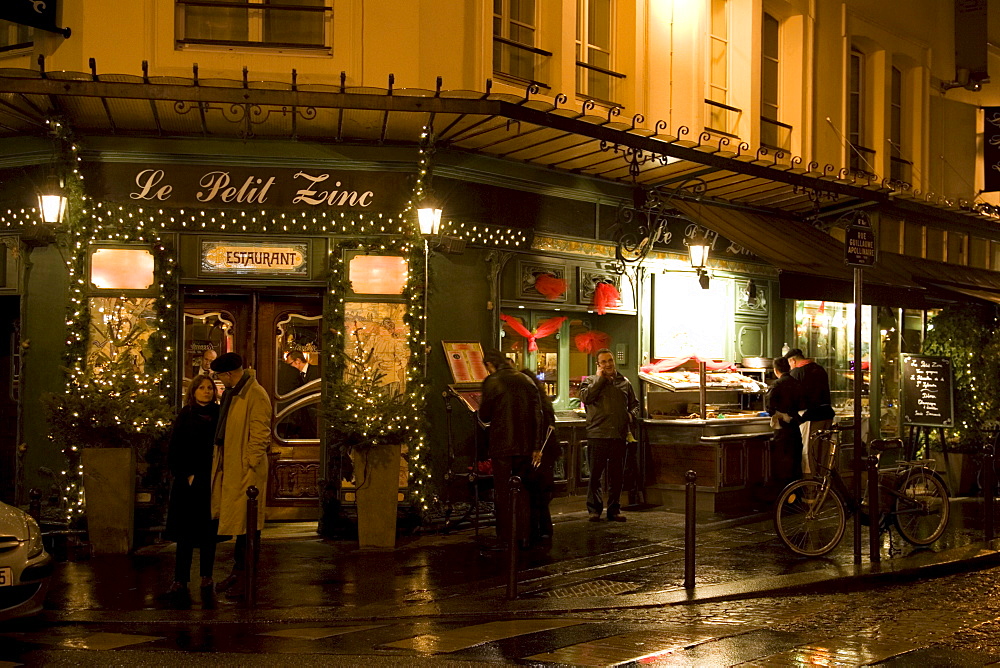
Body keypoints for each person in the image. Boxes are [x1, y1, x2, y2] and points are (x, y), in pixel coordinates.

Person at [209, 352, 271, 598]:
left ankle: (245, 575)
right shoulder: (235, 393)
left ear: (229, 374)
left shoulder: (254, 394)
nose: (221, 382)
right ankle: (239, 572)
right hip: (234, 465)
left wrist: (250, 461)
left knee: (249, 523)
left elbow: (260, 431)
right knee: (241, 522)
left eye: (221, 377)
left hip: (246, 470)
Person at [164, 374, 220, 598]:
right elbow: (176, 447)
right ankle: (180, 578)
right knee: (185, 534)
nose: (206, 392)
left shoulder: (217, 414)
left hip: (210, 479)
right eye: (202, 388)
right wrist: (185, 474)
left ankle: (207, 575)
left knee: (209, 532)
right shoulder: (186, 415)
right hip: (188, 482)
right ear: (194, 391)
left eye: (210, 388)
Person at [478, 350, 539, 548]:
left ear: (489, 364)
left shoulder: (492, 381)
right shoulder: (526, 380)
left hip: (502, 446)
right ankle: (524, 535)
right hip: (525, 446)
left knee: (504, 493)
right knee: (522, 492)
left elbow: (485, 415)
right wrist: (536, 446)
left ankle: (506, 537)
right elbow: (538, 415)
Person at [579, 348, 638, 522]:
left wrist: (630, 415)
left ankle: (614, 509)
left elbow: (635, 405)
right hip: (597, 434)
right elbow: (585, 398)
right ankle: (594, 510)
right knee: (595, 475)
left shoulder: (624, 382)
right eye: (603, 362)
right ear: (598, 365)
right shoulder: (590, 381)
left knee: (616, 475)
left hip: (618, 435)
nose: (608, 364)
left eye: (610, 361)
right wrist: (599, 379)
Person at [520, 368, 559, 545]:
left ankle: (535, 531)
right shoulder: (544, 401)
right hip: (548, 451)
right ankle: (544, 529)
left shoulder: (531, 404)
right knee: (541, 494)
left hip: (540, 451)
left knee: (535, 492)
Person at [785, 348, 836, 475]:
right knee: (823, 455)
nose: (790, 366)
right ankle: (823, 484)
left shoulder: (797, 373)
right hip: (827, 415)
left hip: (810, 417)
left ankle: (810, 487)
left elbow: (793, 398)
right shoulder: (820, 369)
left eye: (790, 363)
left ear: (793, 360)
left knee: (808, 454)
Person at [767, 357, 804, 485]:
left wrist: (779, 414)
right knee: (795, 464)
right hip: (795, 428)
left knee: (781, 464)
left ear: (775, 370)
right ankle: (795, 495)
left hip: (782, 431)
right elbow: (802, 403)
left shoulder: (777, 384)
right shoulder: (797, 383)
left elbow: (769, 406)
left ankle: (783, 496)